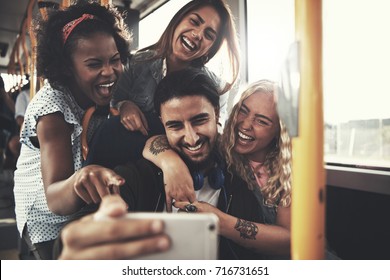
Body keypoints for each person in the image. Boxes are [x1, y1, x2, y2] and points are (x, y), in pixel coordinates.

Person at [55, 69, 290, 259]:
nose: (191, 138)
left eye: (199, 120)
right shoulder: (136, 177)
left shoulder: (238, 183)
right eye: (175, 126)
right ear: (162, 124)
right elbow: (70, 242)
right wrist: (79, 246)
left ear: (217, 115)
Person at [13, 1, 131, 259]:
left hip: (79, 209)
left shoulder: (103, 89)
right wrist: (83, 177)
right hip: (44, 218)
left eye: (115, 60)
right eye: (94, 64)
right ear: (67, 67)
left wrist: (126, 104)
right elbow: (55, 198)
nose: (108, 72)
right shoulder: (52, 110)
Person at [84, 0, 240, 169]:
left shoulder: (217, 88)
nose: (197, 34)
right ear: (178, 20)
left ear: (211, 48)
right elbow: (110, 104)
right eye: (194, 22)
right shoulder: (135, 63)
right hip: (130, 159)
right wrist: (124, 105)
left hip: (184, 163)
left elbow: (215, 136)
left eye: (209, 35)